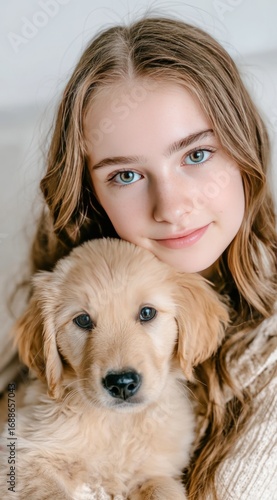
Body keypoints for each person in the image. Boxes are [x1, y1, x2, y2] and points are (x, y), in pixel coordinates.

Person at [11, 16, 277, 499]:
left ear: (245, 148)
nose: (172, 209)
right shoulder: (47, 302)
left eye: (196, 155)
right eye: (126, 175)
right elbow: (13, 456)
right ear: (90, 193)